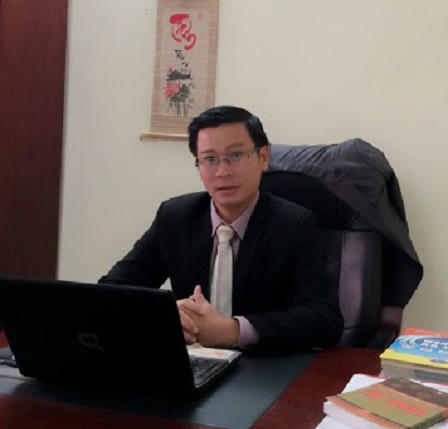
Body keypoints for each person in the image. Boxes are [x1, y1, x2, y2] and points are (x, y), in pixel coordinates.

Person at [99, 106, 343, 353]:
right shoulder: (175, 217)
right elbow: (111, 290)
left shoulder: (294, 224)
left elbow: (325, 320)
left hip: (263, 364)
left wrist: (232, 331)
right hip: (193, 361)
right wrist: (164, 314)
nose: (223, 172)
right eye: (210, 159)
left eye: (235, 155)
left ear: (263, 157)